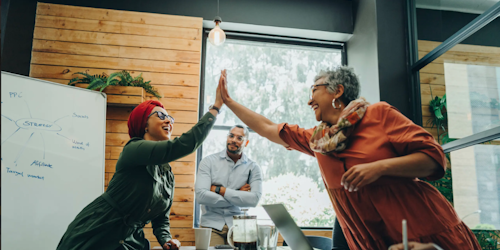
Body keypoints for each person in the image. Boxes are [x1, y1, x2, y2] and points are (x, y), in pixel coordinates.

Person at [216, 68, 481, 249]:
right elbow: (267, 127)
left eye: (314, 90)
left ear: (338, 91)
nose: (310, 101)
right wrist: (227, 101)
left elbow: (434, 159)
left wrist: (379, 168)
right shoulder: (317, 141)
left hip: (421, 231)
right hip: (370, 242)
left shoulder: (379, 114)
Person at [56, 71, 226, 250]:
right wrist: (215, 108)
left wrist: (166, 240)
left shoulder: (167, 175)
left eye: (170, 118)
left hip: (131, 243)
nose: (168, 120)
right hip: (95, 234)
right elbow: (180, 146)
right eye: (160, 116)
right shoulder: (133, 149)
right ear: (144, 124)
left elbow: (161, 219)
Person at [195, 125, 263, 246]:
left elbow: (254, 200)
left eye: (239, 138)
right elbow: (201, 196)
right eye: (231, 136)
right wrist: (238, 195)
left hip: (239, 227)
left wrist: (219, 190)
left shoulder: (253, 168)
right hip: (211, 225)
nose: (233, 140)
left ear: (246, 142)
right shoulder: (208, 162)